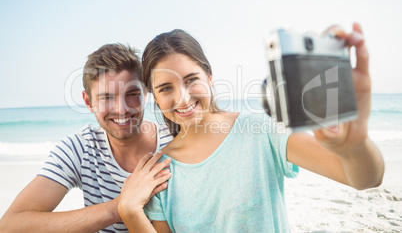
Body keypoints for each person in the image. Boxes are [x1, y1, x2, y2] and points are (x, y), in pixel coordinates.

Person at [117, 23, 385, 232]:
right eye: (166, 88)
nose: (183, 98)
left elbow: (365, 179)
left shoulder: (260, 131)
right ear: (154, 94)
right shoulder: (159, 171)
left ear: (209, 77)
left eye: (191, 80)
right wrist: (129, 211)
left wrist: (354, 146)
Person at [0, 43, 174, 232]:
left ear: (145, 93)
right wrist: (118, 207)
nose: (121, 109)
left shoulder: (175, 142)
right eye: (106, 98)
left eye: (132, 94)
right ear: (88, 101)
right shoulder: (81, 148)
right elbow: (11, 225)